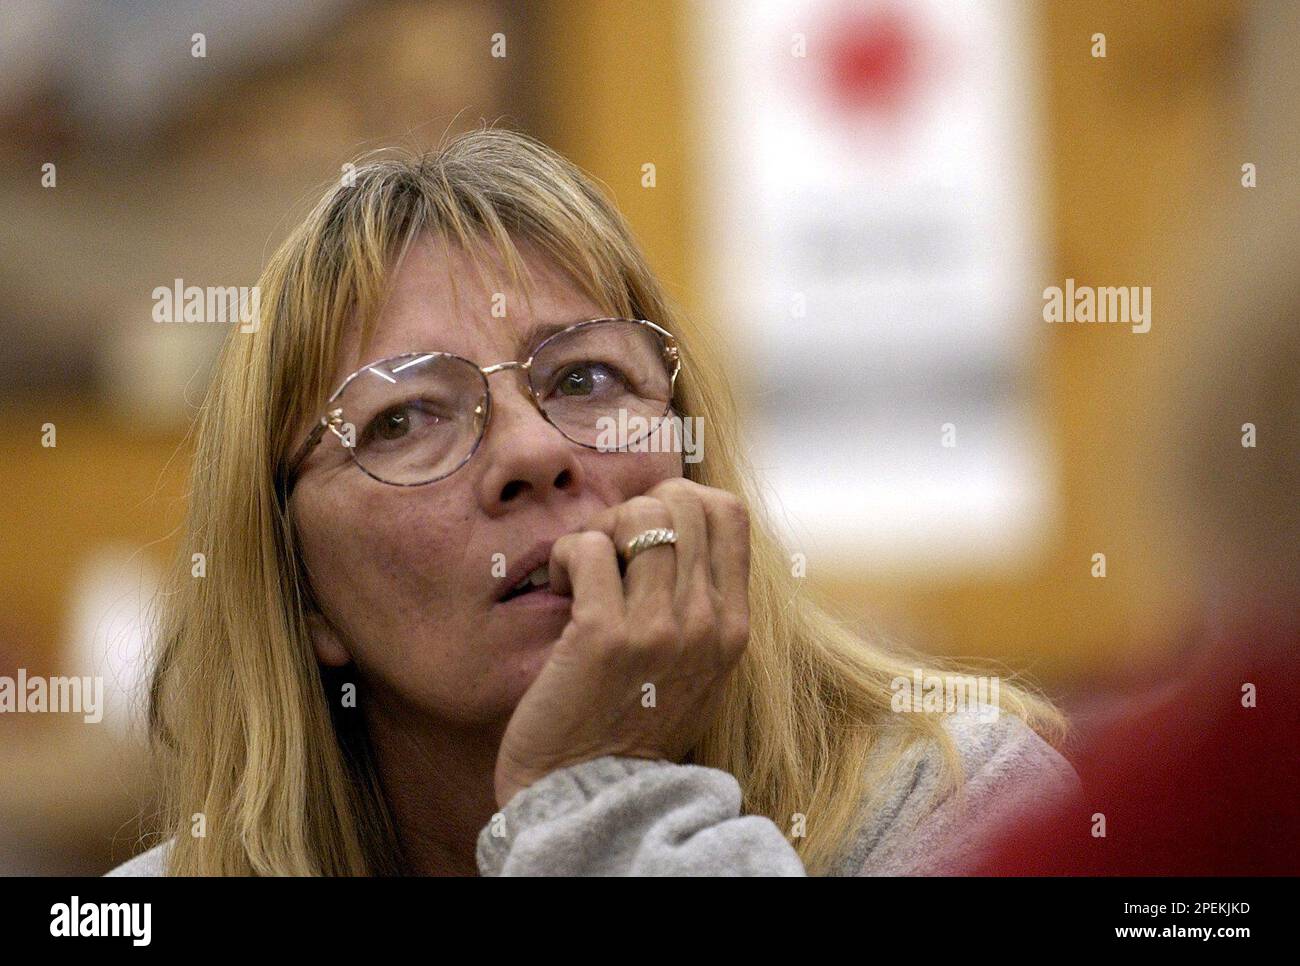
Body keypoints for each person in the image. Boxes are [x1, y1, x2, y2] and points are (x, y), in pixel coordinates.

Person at [107, 126, 1075, 876]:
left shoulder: (957, 808)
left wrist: (594, 797)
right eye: (404, 419)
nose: (531, 452)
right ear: (303, 589)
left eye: (584, 381)